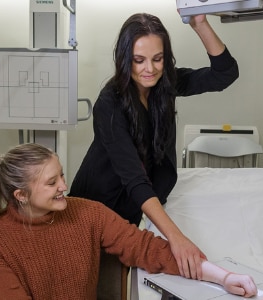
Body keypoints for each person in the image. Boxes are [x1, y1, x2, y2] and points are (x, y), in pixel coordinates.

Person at [70, 12, 239, 282]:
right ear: (125, 60)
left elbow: (225, 74)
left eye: (157, 59)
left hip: (136, 200)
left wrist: (201, 25)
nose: (149, 69)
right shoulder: (109, 104)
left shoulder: (166, 84)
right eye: (139, 60)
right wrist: (178, 239)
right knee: (92, 279)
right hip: (99, 201)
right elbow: (134, 179)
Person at [0, 143, 256, 299]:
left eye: (61, 174)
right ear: (21, 195)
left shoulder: (88, 213)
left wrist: (224, 277)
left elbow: (147, 249)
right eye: (51, 182)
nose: (64, 185)